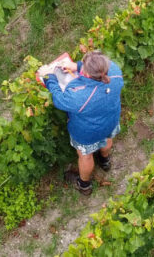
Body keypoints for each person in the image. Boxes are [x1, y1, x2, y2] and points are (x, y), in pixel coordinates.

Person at [37, 51, 124, 196]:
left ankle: (84, 185)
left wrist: (49, 75)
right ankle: (105, 161)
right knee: (108, 139)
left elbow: (59, 99)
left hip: (88, 133)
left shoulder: (81, 96)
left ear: (88, 75)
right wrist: (76, 66)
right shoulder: (114, 71)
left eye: (83, 67)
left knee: (86, 156)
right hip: (111, 121)